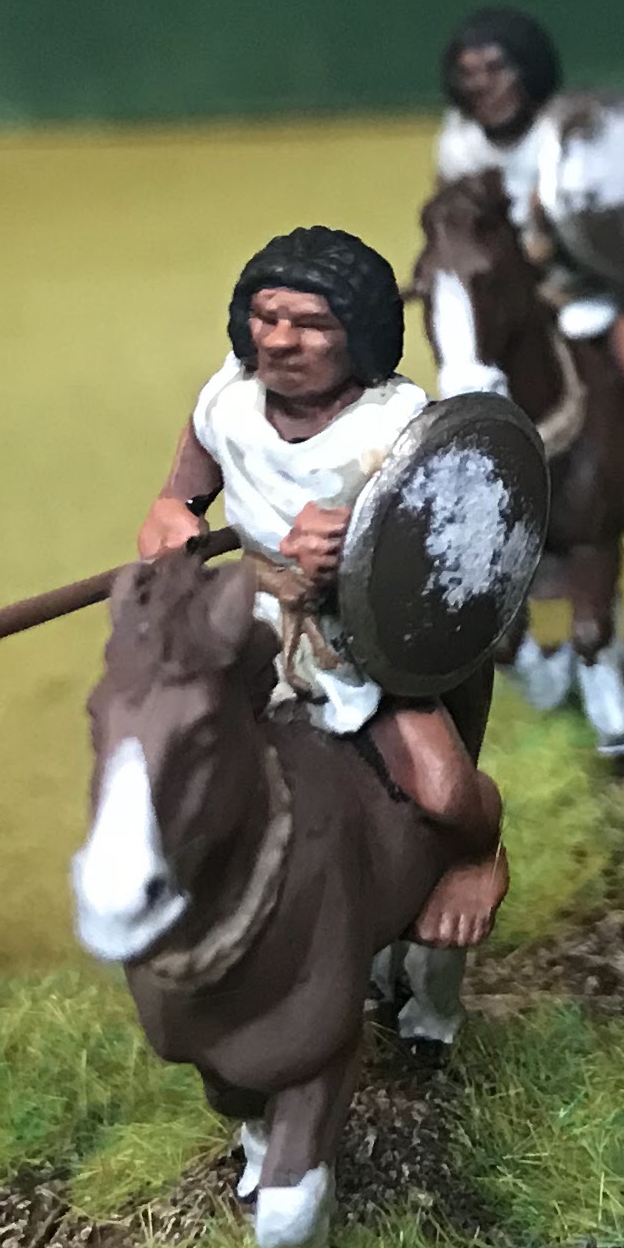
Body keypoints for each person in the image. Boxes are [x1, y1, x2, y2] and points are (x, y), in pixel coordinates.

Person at [136, 225, 509, 962]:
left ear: (358, 335)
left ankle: (479, 856)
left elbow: (451, 552)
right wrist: (171, 522)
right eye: (266, 318)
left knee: (442, 790)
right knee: (166, 752)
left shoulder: (399, 427)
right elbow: (180, 495)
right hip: (250, 622)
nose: (280, 341)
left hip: (362, 641)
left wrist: (362, 549)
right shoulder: (228, 402)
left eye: (310, 324)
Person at [436, 8, 624, 486]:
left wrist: (555, 235)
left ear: (527, 70)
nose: (483, 85)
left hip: (580, 286)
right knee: (467, 379)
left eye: (496, 69)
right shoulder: (458, 142)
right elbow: (452, 214)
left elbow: (610, 214)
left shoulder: (573, 132)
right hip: (504, 291)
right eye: (470, 73)